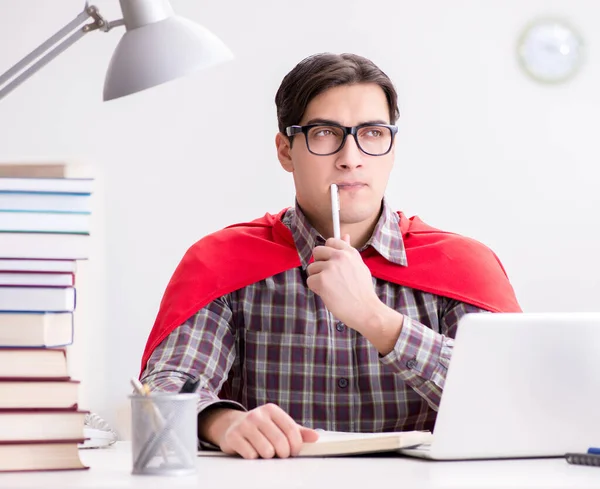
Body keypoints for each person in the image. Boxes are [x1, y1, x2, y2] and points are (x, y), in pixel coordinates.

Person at [139, 52, 521, 460]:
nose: (350, 157)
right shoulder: (223, 261)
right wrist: (220, 421)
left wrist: (375, 319)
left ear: (392, 148)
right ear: (286, 151)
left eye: (372, 134)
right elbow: (163, 392)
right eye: (324, 133)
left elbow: (514, 401)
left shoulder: (463, 265)